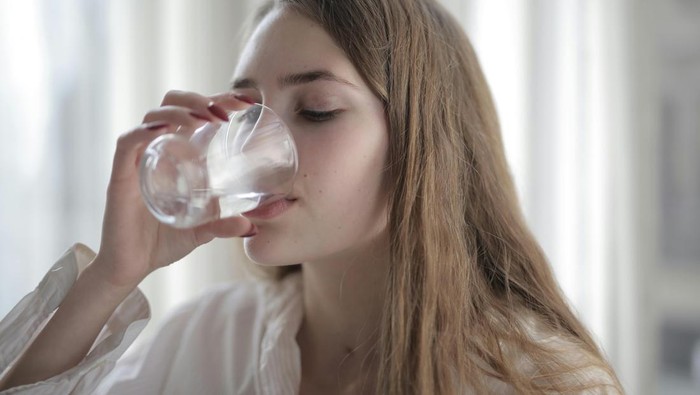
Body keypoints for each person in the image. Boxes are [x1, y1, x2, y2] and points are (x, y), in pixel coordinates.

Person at [0, 0, 624, 393]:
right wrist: (110, 276)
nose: (254, 151)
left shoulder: (537, 381)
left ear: (420, 144)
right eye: (246, 114)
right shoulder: (208, 340)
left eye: (317, 110)